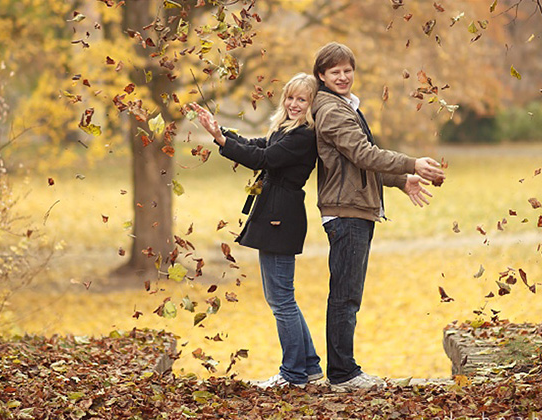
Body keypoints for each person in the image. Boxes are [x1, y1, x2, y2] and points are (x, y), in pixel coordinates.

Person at [310, 42, 446, 390]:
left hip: (354, 209)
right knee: (345, 295)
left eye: (347, 70)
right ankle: (343, 375)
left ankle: (344, 371)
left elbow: (356, 162)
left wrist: (401, 180)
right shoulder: (332, 111)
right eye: (335, 71)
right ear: (322, 76)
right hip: (346, 213)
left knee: (347, 293)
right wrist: (411, 163)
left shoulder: (342, 106)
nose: (343, 76)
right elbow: (363, 153)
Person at [187, 73, 323, 388]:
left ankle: (293, 375)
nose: (293, 104)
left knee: (281, 300)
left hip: (281, 217)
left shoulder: (303, 135)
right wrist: (220, 131)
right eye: (290, 97)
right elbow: (256, 145)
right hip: (275, 213)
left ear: (312, 105)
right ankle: (310, 368)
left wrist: (221, 140)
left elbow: (262, 158)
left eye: (301, 99)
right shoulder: (286, 130)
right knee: (282, 299)